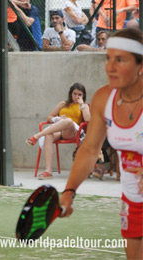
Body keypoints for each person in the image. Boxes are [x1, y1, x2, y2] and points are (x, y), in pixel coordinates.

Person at [59, 28, 143, 260]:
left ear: (140, 66)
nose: (110, 67)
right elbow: (89, 150)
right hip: (132, 199)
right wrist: (69, 191)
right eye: (108, 58)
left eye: (121, 60)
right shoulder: (104, 98)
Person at [26, 82, 91, 180]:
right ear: (70, 94)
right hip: (59, 130)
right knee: (48, 135)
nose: (76, 96)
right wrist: (57, 119)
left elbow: (87, 119)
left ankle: (38, 135)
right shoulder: (63, 104)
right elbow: (49, 117)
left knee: (68, 121)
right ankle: (48, 171)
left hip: (72, 132)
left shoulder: (84, 106)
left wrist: (81, 103)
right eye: (75, 94)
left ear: (83, 95)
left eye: (79, 94)